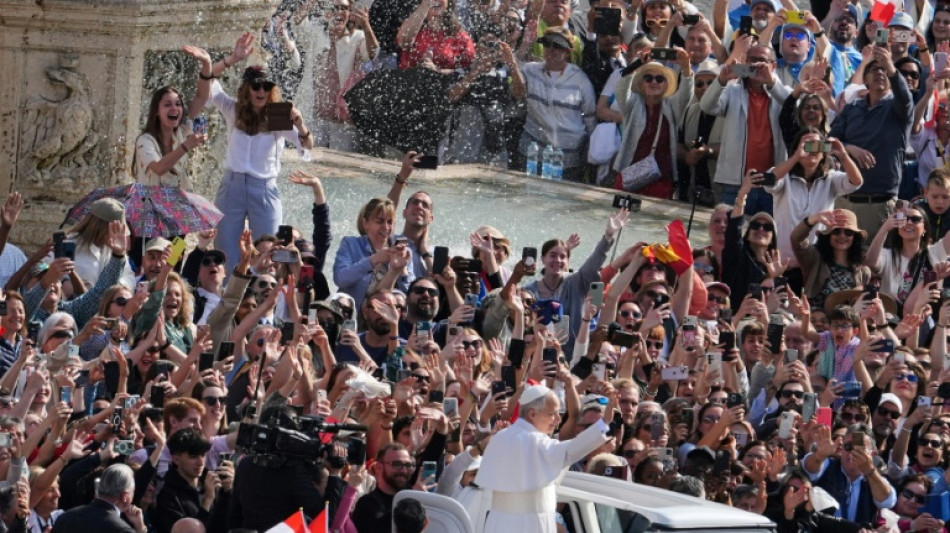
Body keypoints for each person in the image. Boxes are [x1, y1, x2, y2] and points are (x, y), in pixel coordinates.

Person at [184, 32, 315, 273]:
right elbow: (208, 83)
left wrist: (300, 124)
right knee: (225, 253)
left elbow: (307, 148)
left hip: (264, 189)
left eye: (266, 86)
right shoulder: (233, 109)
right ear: (246, 89)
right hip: (231, 187)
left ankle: (263, 293)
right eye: (256, 86)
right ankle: (228, 294)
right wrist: (231, 59)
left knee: (269, 254)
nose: (261, 90)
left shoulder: (277, 115)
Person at [475, 384, 611, 532]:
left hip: (497, 524)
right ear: (532, 414)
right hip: (532, 524)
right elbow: (571, 450)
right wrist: (603, 423)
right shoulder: (537, 441)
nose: (558, 419)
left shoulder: (499, 437)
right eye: (553, 414)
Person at [830, 45, 913, 242]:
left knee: (876, 261)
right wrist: (849, 149)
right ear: (865, 80)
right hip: (844, 202)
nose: (880, 72)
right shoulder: (851, 108)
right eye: (874, 69)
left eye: (884, 70)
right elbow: (828, 143)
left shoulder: (898, 110)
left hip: (879, 205)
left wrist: (891, 67)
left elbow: (905, 98)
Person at [519, 27, 596, 181]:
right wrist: (524, 46)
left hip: (568, 160)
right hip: (532, 154)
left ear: (567, 52)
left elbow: (590, 119)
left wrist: (589, 151)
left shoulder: (580, 80)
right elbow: (512, 70)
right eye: (547, 44)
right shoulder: (530, 70)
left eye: (558, 46)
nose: (551, 49)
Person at [612, 53, 693, 199]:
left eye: (659, 79)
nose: (654, 82)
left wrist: (686, 67)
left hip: (661, 178)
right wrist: (637, 64)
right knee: (622, 213)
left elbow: (686, 95)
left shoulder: (671, 105)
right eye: (648, 78)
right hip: (630, 175)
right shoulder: (633, 103)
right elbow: (621, 89)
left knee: (655, 215)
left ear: (666, 85)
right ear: (640, 84)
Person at [312, 0, 378, 152]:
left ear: (350, 12)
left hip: (343, 117)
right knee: (309, 159)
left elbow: (373, 54)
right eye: (335, 7)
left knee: (340, 162)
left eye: (344, 8)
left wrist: (366, 25)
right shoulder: (316, 33)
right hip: (315, 115)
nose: (340, 12)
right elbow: (297, 25)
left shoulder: (357, 37)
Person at [133, 87, 205, 191]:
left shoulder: (181, 132)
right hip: (149, 200)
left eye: (178, 104)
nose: (174, 108)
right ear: (156, 111)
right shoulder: (144, 140)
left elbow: (201, 97)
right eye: (167, 105)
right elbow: (159, 168)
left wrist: (209, 75)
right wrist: (185, 146)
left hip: (177, 198)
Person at [51, 464, 145, 533]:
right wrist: (141, 529)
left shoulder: (65, 518)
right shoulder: (122, 530)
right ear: (125, 496)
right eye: (133, 491)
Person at [352, 443, 415, 532]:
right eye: (396, 464)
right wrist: (412, 501)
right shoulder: (367, 504)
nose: (404, 470)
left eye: (408, 465)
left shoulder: (414, 496)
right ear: (379, 467)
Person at [397, 0, 474, 71]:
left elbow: (464, 72)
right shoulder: (414, 26)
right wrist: (424, 6)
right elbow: (403, 42)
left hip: (443, 80)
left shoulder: (459, 35)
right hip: (410, 79)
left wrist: (437, 70)